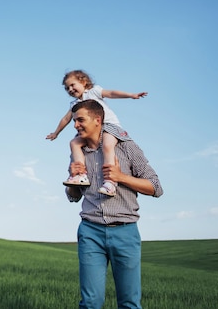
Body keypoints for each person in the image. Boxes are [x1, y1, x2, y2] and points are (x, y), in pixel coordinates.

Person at [65, 99, 163, 309]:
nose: (75, 125)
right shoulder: (78, 154)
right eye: (74, 121)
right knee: (90, 302)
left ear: (97, 120)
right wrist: (73, 179)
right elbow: (73, 196)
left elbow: (156, 187)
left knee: (129, 303)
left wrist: (121, 177)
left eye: (80, 120)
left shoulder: (126, 148)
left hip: (125, 232)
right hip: (90, 231)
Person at [46, 69, 147, 196]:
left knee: (107, 145)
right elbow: (66, 119)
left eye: (72, 85)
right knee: (74, 143)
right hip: (90, 132)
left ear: (83, 82)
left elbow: (111, 93)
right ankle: (81, 175)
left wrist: (131, 95)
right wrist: (56, 133)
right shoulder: (74, 104)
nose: (70, 89)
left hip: (109, 126)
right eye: (67, 88)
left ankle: (110, 182)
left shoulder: (94, 91)